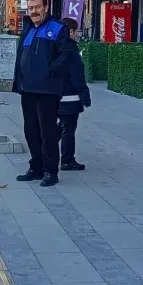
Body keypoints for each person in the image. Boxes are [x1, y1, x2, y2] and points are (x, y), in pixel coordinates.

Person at [13, 0, 72, 187]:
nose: (34, 11)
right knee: (31, 130)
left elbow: (66, 55)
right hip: (28, 90)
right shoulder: (28, 29)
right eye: (30, 8)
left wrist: (50, 71)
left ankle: (50, 171)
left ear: (45, 7)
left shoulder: (57, 28)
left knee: (47, 132)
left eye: (37, 7)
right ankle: (36, 167)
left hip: (48, 90)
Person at [57, 18, 90, 171]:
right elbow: (77, 75)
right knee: (68, 129)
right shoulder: (71, 49)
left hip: (56, 94)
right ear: (70, 31)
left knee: (60, 127)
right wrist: (84, 95)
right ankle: (67, 160)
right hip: (70, 96)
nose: (78, 34)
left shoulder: (55, 46)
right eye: (76, 31)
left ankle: (45, 150)